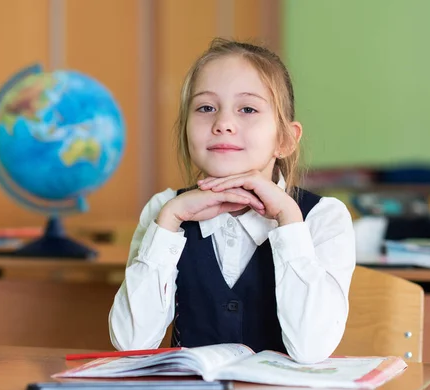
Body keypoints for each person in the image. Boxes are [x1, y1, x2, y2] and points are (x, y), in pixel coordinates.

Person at [109, 38, 356, 364]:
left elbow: (311, 349)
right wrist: (168, 222)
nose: (222, 123)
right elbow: (130, 345)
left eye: (248, 109)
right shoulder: (163, 211)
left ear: (284, 139)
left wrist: (288, 219)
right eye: (205, 108)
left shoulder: (324, 218)